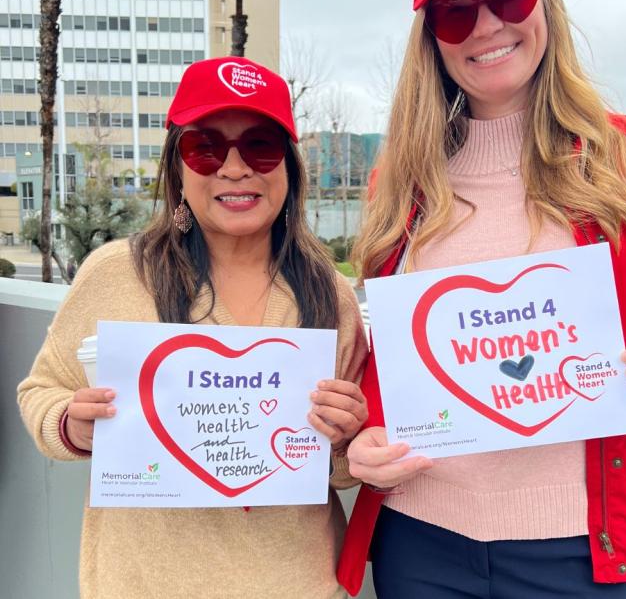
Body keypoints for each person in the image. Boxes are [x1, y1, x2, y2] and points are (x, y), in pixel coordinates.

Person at [337, 0, 626, 598]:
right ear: (432, 40)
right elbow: (391, 355)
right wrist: (369, 435)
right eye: (456, 11)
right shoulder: (398, 183)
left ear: (544, 1)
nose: (487, 25)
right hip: (421, 540)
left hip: (578, 546)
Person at [18, 57, 369, 599]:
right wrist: (72, 424)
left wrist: (347, 436)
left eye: (260, 146)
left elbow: (344, 467)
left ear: (289, 169)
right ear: (177, 168)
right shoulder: (116, 274)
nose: (234, 169)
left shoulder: (330, 291)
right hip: (142, 585)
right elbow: (41, 390)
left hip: (297, 583)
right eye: (205, 147)